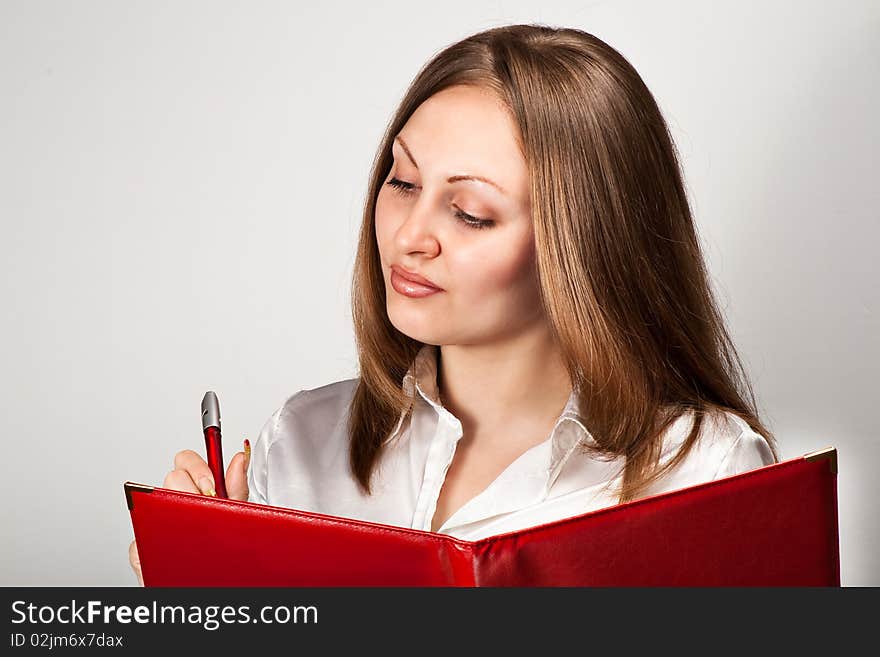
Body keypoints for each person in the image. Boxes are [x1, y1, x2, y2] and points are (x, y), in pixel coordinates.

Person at [129, 24, 779, 585]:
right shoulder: (300, 442)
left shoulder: (707, 471)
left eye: (470, 213)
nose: (409, 237)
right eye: (402, 181)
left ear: (584, 244)